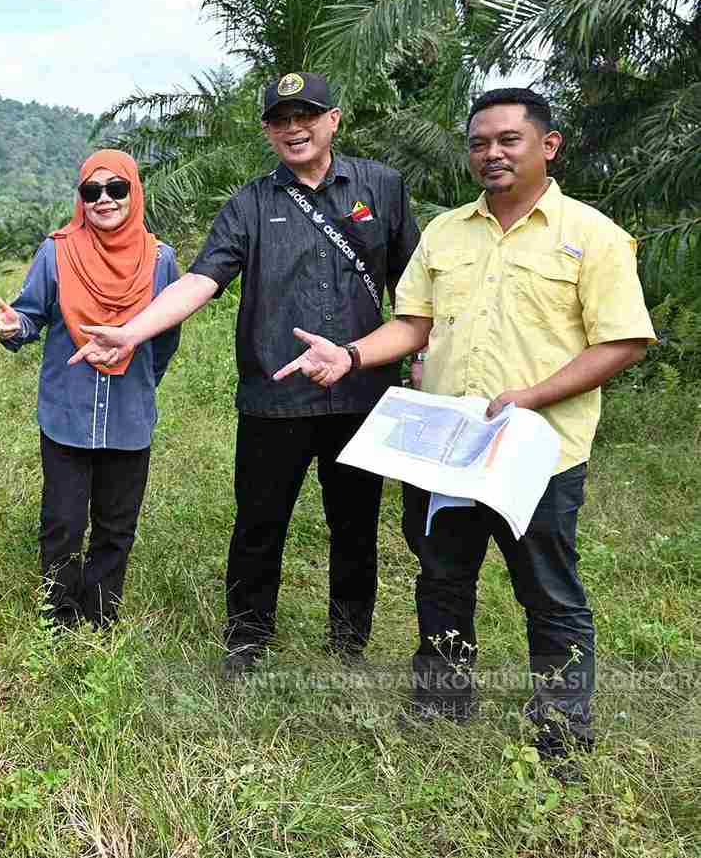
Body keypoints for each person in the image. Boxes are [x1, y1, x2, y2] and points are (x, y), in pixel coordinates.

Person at [275, 87, 654, 768]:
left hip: (536, 452)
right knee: (441, 576)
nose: (491, 153)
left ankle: (561, 732)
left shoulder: (590, 236)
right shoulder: (445, 232)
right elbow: (413, 323)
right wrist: (353, 352)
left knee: (549, 592)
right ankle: (440, 704)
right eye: (479, 142)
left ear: (547, 145)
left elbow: (622, 340)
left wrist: (533, 395)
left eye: (508, 139)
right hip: (448, 450)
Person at [72, 72, 420, 676]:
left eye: (306, 115)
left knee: (356, 523)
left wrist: (420, 358)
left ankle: (348, 641)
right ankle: (248, 638)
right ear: (267, 131)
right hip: (273, 398)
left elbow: (414, 286)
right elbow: (202, 280)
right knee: (260, 523)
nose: (294, 129)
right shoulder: (251, 204)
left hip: (361, 390)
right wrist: (132, 330)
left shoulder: (382, 188)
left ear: (333, 118)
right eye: (281, 120)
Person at [0, 151, 181, 627]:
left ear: (134, 192)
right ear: (81, 198)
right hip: (68, 408)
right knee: (63, 521)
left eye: (116, 189)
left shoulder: (159, 260)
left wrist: (143, 381)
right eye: (92, 191)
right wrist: (14, 326)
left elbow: (165, 336)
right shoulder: (58, 251)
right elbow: (32, 313)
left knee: (116, 524)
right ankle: (60, 614)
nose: (104, 200)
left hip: (129, 412)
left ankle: (102, 614)